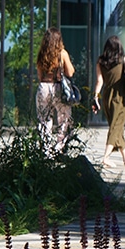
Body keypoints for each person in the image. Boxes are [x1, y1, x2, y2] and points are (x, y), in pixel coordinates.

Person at [92, 35, 125, 168]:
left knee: (118, 127)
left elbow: (99, 81)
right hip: (121, 97)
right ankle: (106, 157)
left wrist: (95, 97)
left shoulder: (101, 62)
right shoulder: (123, 60)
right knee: (115, 127)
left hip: (107, 97)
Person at [36, 27, 75, 155]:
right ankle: (59, 147)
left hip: (43, 86)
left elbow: (39, 75)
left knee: (44, 119)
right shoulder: (62, 53)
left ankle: (46, 150)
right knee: (64, 118)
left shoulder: (42, 54)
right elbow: (70, 72)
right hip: (58, 87)